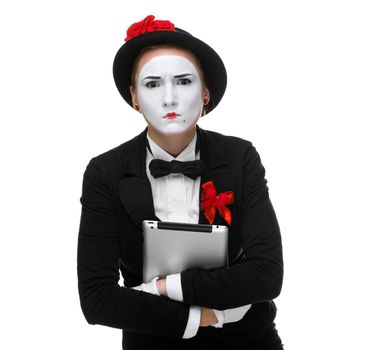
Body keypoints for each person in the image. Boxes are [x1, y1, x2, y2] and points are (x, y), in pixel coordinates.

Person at [77, 15, 284, 349]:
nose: (169, 99)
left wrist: (163, 287)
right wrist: (206, 316)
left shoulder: (240, 157)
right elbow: (97, 298)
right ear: (134, 97)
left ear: (205, 93)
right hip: (153, 343)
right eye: (152, 84)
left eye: (184, 81)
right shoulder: (105, 172)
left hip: (247, 341)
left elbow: (267, 275)